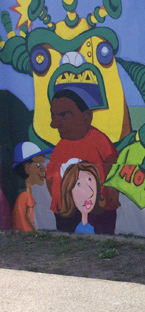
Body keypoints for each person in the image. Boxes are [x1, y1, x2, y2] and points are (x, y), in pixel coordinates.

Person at [45, 89, 119, 234]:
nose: (54, 124)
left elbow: (113, 166)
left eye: (63, 115)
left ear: (86, 118)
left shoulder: (98, 140)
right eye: (53, 115)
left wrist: (112, 191)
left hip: (97, 211)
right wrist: (61, 202)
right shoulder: (60, 147)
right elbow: (50, 178)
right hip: (66, 212)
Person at [11, 142, 51, 233]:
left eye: (43, 163)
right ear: (27, 168)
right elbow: (26, 218)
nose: (44, 168)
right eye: (38, 164)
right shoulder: (26, 197)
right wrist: (36, 231)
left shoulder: (35, 196)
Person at [59, 160, 104, 234]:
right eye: (78, 184)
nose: (90, 193)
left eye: (90, 180)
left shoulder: (98, 227)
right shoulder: (76, 227)